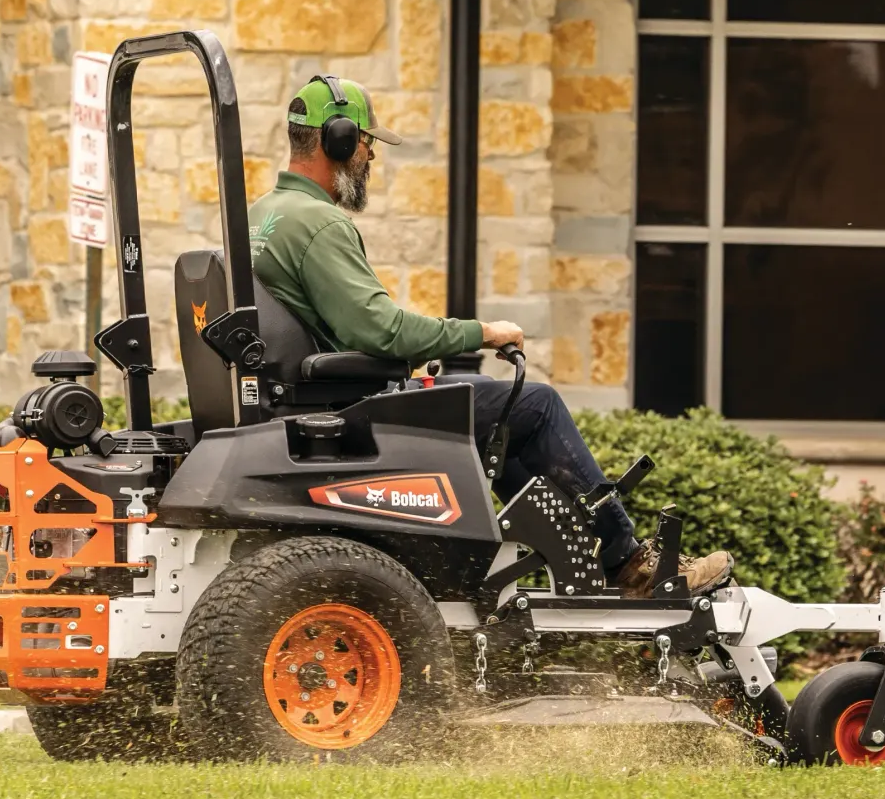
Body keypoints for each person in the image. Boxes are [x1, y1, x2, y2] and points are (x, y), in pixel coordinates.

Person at [248, 74, 733, 599]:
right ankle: (630, 563)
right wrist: (481, 332)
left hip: (306, 400)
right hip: (351, 407)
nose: (371, 158)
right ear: (337, 140)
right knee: (537, 405)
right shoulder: (319, 224)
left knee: (506, 423)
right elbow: (379, 329)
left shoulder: (261, 216)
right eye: (366, 143)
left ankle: (598, 564)